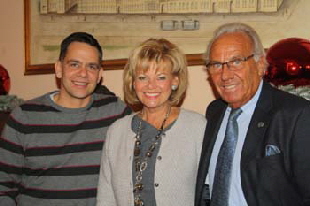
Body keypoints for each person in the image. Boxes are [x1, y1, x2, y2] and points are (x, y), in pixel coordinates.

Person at [0, 32, 131, 206]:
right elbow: (3, 188)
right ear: (59, 68)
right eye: (74, 64)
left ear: (99, 74)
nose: (83, 73)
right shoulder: (24, 117)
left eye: (91, 66)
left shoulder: (115, 112)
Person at [195, 22, 310, 206]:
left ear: (260, 65)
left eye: (236, 62)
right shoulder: (214, 112)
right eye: (216, 64)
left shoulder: (296, 115)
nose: (225, 75)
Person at [96, 38, 207, 206]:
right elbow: (106, 198)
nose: (151, 85)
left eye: (161, 77)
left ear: (175, 81)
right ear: (133, 82)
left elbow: (211, 192)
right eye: (142, 77)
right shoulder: (116, 132)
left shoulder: (197, 128)